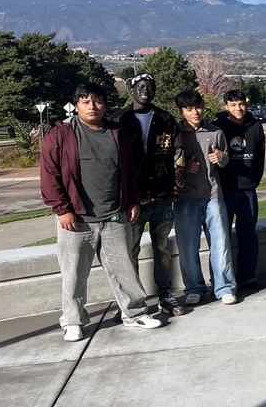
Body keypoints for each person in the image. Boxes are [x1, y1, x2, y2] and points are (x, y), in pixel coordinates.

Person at [41, 83, 163, 341]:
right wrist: (62, 209)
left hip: (114, 214)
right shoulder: (60, 134)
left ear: (105, 105)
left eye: (97, 101)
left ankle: (135, 312)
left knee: (124, 269)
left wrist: (132, 201)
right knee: (74, 273)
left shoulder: (116, 132)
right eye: (86, 102)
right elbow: (49, 175)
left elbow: (128, 170)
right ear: (76, 106)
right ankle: (73, 321)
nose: (92, 106)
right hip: (77, 218)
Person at [111, 74, 185, 316]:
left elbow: (178, 153)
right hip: (132, 200)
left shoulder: (165, 119)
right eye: (141, 87)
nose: (146, 91)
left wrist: (175, 188)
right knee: (129, 251)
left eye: (150, 88)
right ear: (132, 90)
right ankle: (132, 300)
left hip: (162, 196)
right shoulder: (118, 120)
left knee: (162, 248)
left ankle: (165, 294)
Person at [173, 90, 237, 307]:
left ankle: (224, 287)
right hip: (184, 199)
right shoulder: (176, 133)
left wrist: (221, 157)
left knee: (220, 244)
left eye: (198, 106)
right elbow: (168, 162)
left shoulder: (215, 131)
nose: (195, 112)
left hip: (213, 196)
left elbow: (226, 160)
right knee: (188, 247)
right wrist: (183, 167)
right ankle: (194, 288)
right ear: (182, 111)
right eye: (189, 108)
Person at [214, 89, 266, 290]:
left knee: (248, 236)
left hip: (248, 191)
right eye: (233, 104)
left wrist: (254, 180)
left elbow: (260, 157)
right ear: (226, 106)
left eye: (241, 103)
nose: (238, 108)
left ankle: (247, 276)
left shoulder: (256, 126)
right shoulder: (218, 127)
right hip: (224, 191)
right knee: (221, 238)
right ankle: (222, 281)